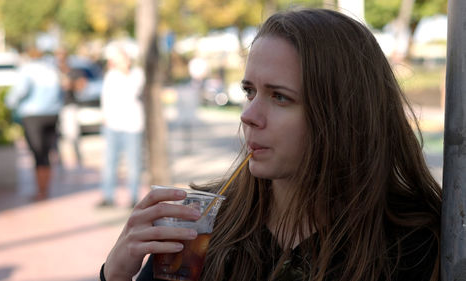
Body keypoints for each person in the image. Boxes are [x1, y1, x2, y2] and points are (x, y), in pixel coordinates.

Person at [101, 8, 441, 281]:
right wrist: (114, 275)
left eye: (280, 97)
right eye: (249, 91)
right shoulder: (206, 227)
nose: (248, 115)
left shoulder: (414, 245)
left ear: (342, 114)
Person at [6, 48, 63, 200]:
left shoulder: (28, 70)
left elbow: (19, 92)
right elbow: (60, 93)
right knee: (47, 153)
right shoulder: (51, 69)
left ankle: (41, 191)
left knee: (38, 154)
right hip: (52, 114)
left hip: (33, 115)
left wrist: (9, 104)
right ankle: (45, 189)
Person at [98, 43, 145, 207]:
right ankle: (108, 195)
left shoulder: (137, 75)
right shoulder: (110, 76)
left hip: (132, 126)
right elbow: (105, 99)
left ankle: (133, 196)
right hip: (113, 126)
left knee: (133, 164)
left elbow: (133, 92)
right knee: (110, 162)